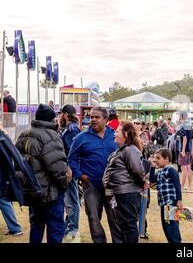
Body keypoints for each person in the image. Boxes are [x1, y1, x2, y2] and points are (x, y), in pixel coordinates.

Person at [15, 104, 68, 243]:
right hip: (50, 193)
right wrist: (64, 186)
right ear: (51, 119)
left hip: (32, 191)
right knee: (55, 229)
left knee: (36, 226)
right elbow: (58, 168)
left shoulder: (23, 134)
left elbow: (16, 164)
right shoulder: (51, 136)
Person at [67, 107, 121, 243]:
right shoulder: (81, 138)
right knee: (93, 217)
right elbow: (71, 159)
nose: (93, 120)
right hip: (91, 185)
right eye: (91, 117)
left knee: (114, 217)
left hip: (112, 185)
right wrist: (80, 175)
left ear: (106, 120)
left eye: (97, 117)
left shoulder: (114, 136)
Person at [103, 121, 145, 243]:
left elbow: (138, 171)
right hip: (120, 194)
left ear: (125, 134)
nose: (114, 134)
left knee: (129, 226)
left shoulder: (130, 149)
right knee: (124, 226)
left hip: (128, 194)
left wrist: (141, 183)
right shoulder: (121, 150)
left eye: (117, 131)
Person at [146, 148, 183, 243]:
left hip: (171, 201)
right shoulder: (160, 172)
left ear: (166, 159)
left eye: (158, 158)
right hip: (163, 203)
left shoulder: (171, 170)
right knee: (165, 224)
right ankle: (171, 240)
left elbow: (177, 185)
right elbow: (152, 180)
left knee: (172, 223)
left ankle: (176, 241)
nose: (156, 160)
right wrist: (152, 167)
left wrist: (179, 200)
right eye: (155, 158)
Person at [58, 104, 81, 241]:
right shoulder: (70, 128)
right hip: (69, 167)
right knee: (70, 199)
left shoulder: (72, 129)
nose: (60, 116)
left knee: (72, 199)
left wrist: (70, 168)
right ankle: (70, 224)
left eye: (61, 114)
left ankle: (73, 227)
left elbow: (73, 152)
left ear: (66, 114)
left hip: (70, 169)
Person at [0, 127, 23, 237]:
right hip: (4, 175)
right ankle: (14, 227)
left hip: (2, 176)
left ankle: (15, 228)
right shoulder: (4, 137)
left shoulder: (2, 138)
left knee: (3, 200)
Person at [176, 111, 193, 190]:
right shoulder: (189, 125)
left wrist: (182, 150)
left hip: (184, 149)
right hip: (188, 148)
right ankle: (189, 186)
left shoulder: (182, 125)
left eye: (179, 115)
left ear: (182, 116)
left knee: (184, 169)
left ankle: (182, 187)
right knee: (188, 168)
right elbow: (190, 139)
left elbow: (185, 138)